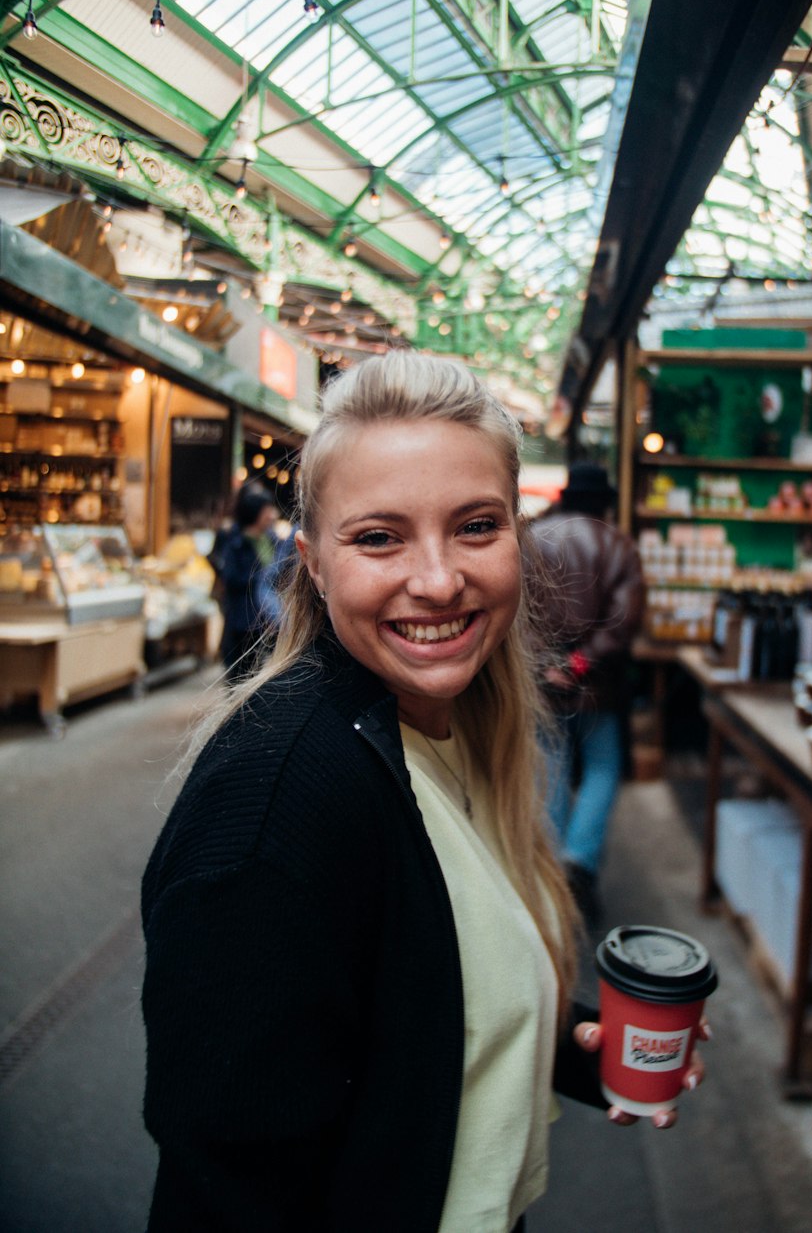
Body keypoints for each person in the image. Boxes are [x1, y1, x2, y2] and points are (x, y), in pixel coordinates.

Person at [141, 352, 704, 1232]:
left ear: (520, 533)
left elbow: (412, 997)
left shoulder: (452, 722)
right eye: (379, 537)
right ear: (315, 564)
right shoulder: (273, 806)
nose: (439, 580)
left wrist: (564, 1042)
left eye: (476, 525)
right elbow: (226, 1189)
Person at [530, 462, 646, 925]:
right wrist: (580, 663)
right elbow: (625, 620)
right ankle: (579, 863)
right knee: (602, 767)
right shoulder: (618, 545)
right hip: (597, 686)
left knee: (551, 770)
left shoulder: (532, 540)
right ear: (603, 500)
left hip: (543, 684)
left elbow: (512, 611)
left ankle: (553, 875)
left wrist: (546, 665)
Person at [216, 482, 280, 683]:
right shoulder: (235, 542)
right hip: (243, 622)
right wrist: (260, 579)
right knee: (241, 678)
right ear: (255, 514)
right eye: (267, 511)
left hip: (268, 622)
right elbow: (231, 578)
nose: (272, 515)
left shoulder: (271, 539)